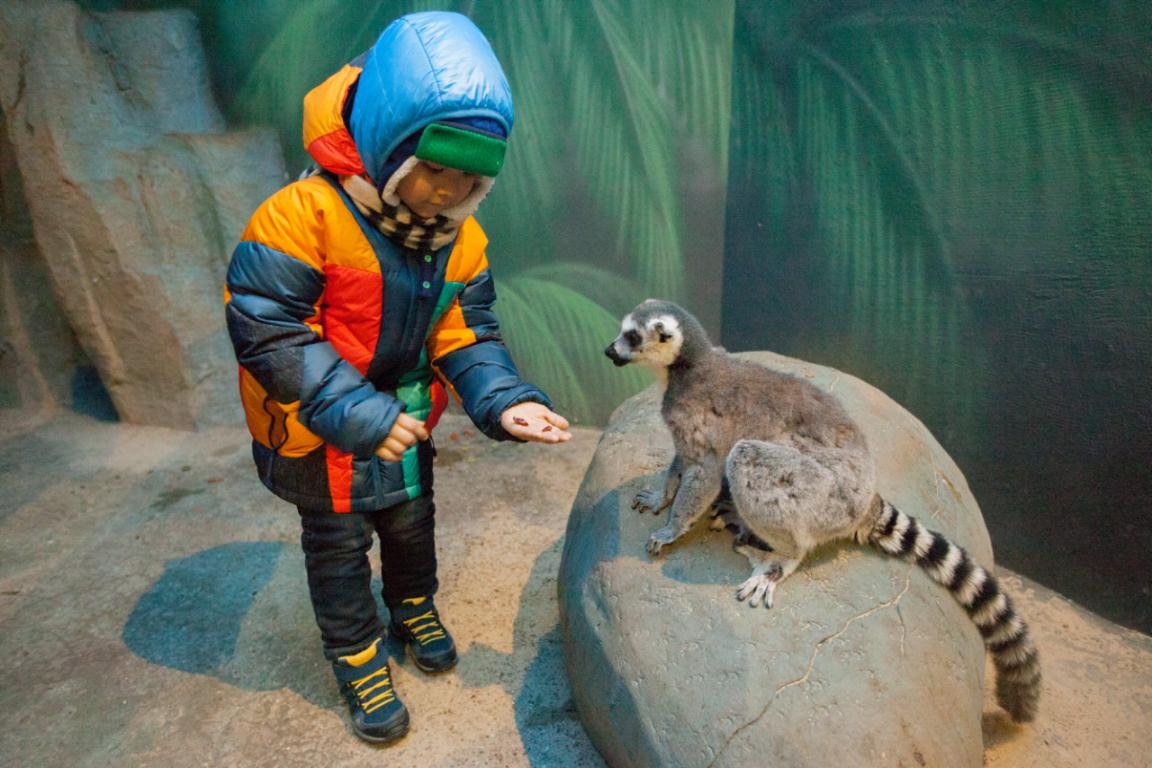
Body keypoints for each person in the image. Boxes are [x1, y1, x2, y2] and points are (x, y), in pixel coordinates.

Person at [223, 11, 571, 745]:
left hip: (406, 417)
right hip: (319, 429)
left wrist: (503, 399)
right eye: (432, 170)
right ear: (387, 149)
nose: (446, 193)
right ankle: (357, 657)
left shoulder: (463, 238)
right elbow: (270, 328)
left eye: (468, 178)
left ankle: (413, 604)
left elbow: (466, 330)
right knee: (338, 548)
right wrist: (353, 410)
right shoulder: (302, 216)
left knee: (413, 526)